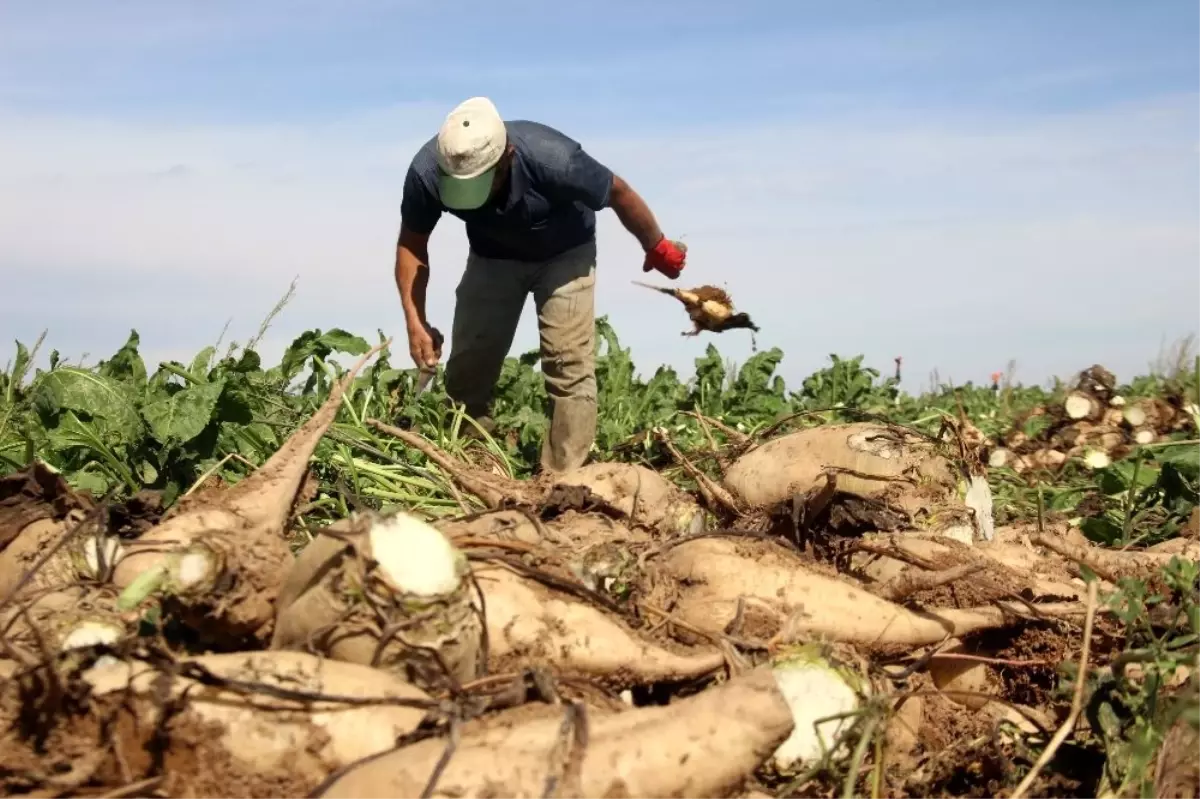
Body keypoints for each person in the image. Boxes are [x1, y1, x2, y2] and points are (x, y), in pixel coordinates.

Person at [393, 96, 687, 474]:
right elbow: (412, 245)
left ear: (507, 156)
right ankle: (472, 465)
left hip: (566, 254)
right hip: (492, 257)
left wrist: (656, 245)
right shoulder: (428, 172)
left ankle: (563, 481)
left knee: (568, 364)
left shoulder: (554, 158)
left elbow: (619, 193)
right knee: (469, 367)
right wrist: (415, 320)